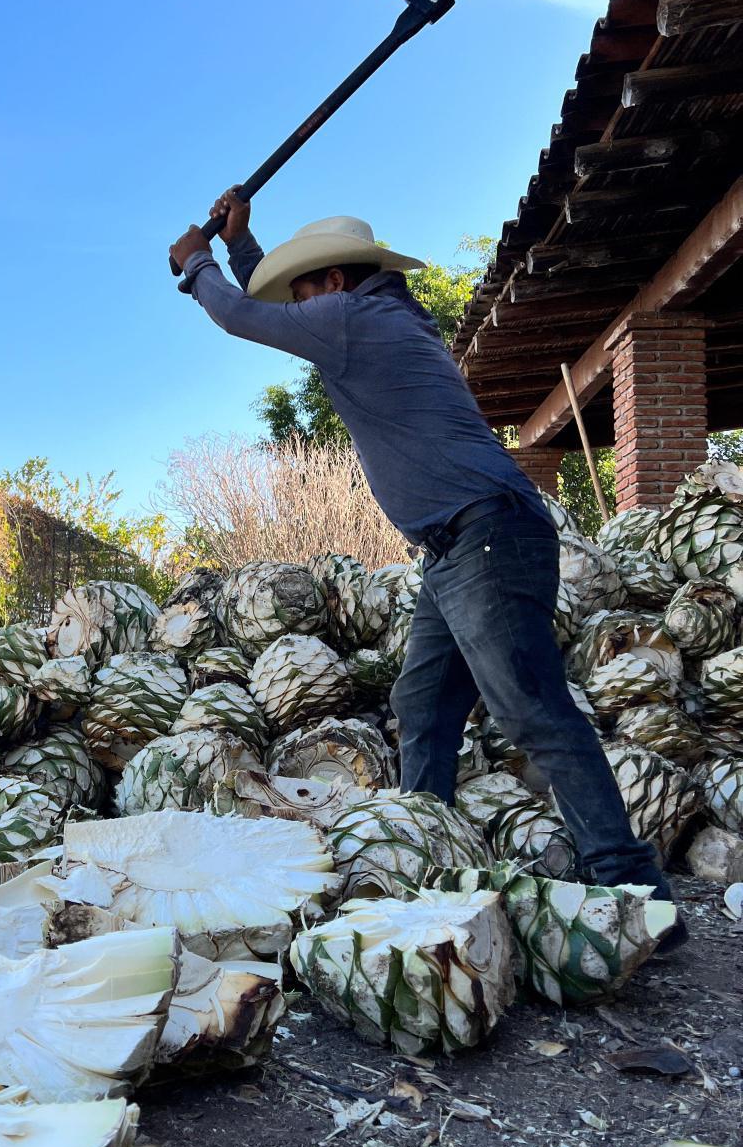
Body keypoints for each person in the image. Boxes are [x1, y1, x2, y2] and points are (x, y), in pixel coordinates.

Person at [170, 188, 683, 942]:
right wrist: (245, 245)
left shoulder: (355, 320)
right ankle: (422, 862)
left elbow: (248, 315)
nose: (300, 305)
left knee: (531, 710)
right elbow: (274, 301)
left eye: (305, 286)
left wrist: (196, 264)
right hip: (457, 548)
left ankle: (635, 889)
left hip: (485, 535)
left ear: (334, 283)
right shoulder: (375, 317)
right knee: (424, 710)